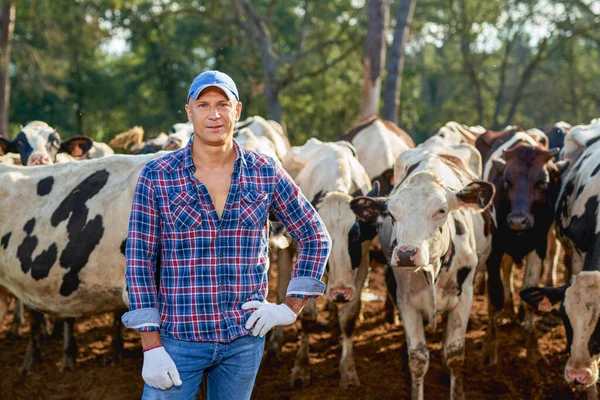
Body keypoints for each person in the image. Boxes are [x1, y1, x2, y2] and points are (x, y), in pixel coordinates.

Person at [121, 70, 331, 400]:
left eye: (223, 104)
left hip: (244, 339)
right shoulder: (157, 176)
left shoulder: (264, 171)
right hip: (179, 340)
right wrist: (150, 344)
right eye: (203, 105)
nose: (214, 114)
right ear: (189, 112)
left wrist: (290, 308)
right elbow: (139, 262)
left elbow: (315, 235)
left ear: (238, 110)